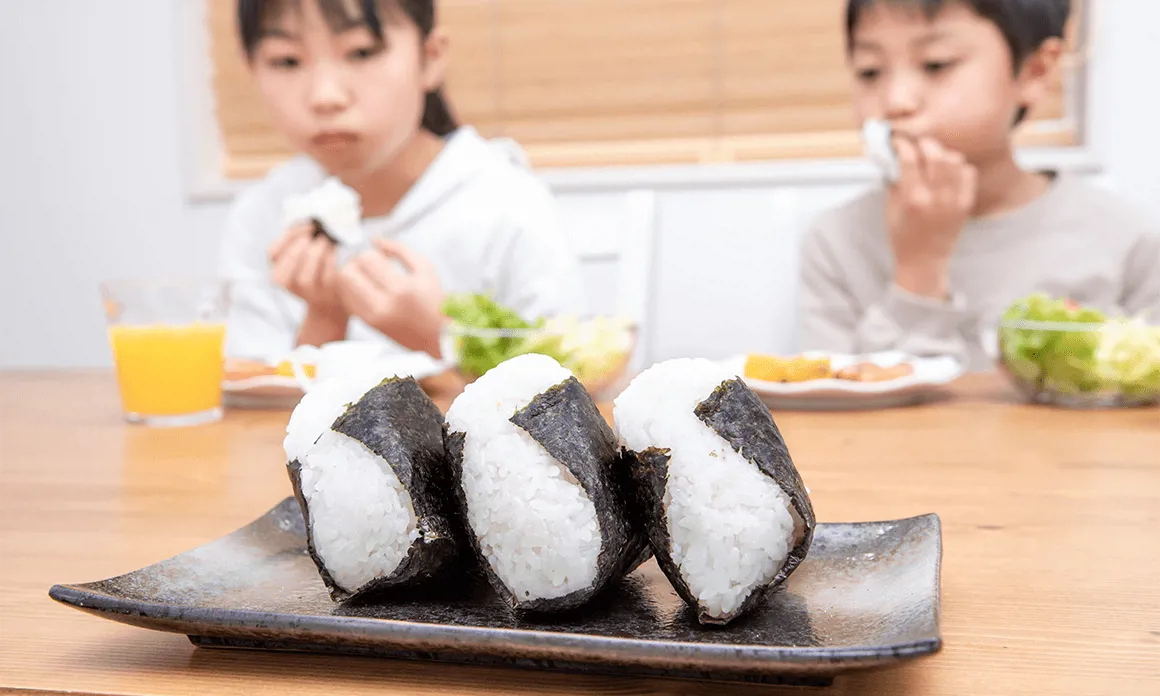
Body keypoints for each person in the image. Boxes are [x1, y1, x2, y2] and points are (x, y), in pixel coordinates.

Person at [798, 0, 1159, 370]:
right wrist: (920, 269)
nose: (895, 101)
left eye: (936, 64)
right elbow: (833, 409)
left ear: (1035, 71)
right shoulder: (837, 242)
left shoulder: (1128, 241)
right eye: (870, 72)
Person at [220, 0, 584, 360]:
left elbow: (570, 389)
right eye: (286, 61)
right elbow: (253, 403)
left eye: (361, 52)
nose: (325, 97)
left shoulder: (507, 202)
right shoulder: (262, 215)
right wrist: (325, 317)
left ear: (431, 58)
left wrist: (440, 337)